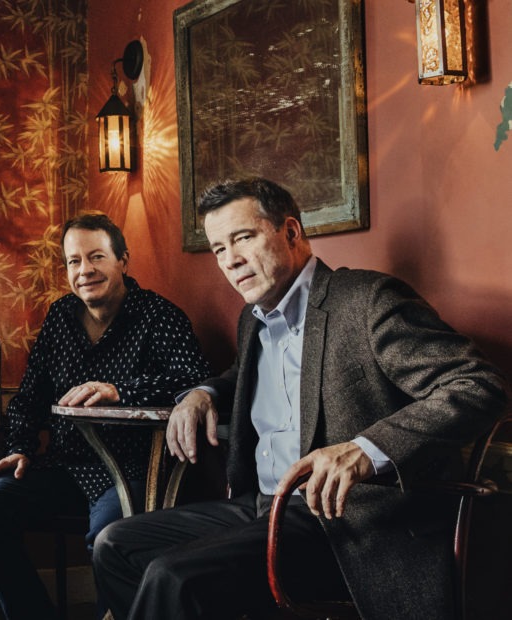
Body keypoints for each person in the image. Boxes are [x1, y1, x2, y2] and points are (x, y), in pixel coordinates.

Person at [92, 177, 507, 620]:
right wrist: (202, 393)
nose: (231, 260)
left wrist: (364, 450)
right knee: (114, 544)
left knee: (172, 576)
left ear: (291, 232)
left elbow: (477, 385)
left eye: (243, 238)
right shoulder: (252, 319)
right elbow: (241, 376)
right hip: (261, 506)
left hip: (343, 522)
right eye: (218, 249)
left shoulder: (366, 301)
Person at [0, 213, 209, 619]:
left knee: (110, 538)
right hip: (66, 466)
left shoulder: (159, 316)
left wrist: (120, 391)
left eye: (96, 257)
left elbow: (195, 382)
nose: (85, 270)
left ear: (123, 261)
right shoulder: (60, 317)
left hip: (133, 472)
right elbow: (29, 396)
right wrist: (21, 448)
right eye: (74, 261)